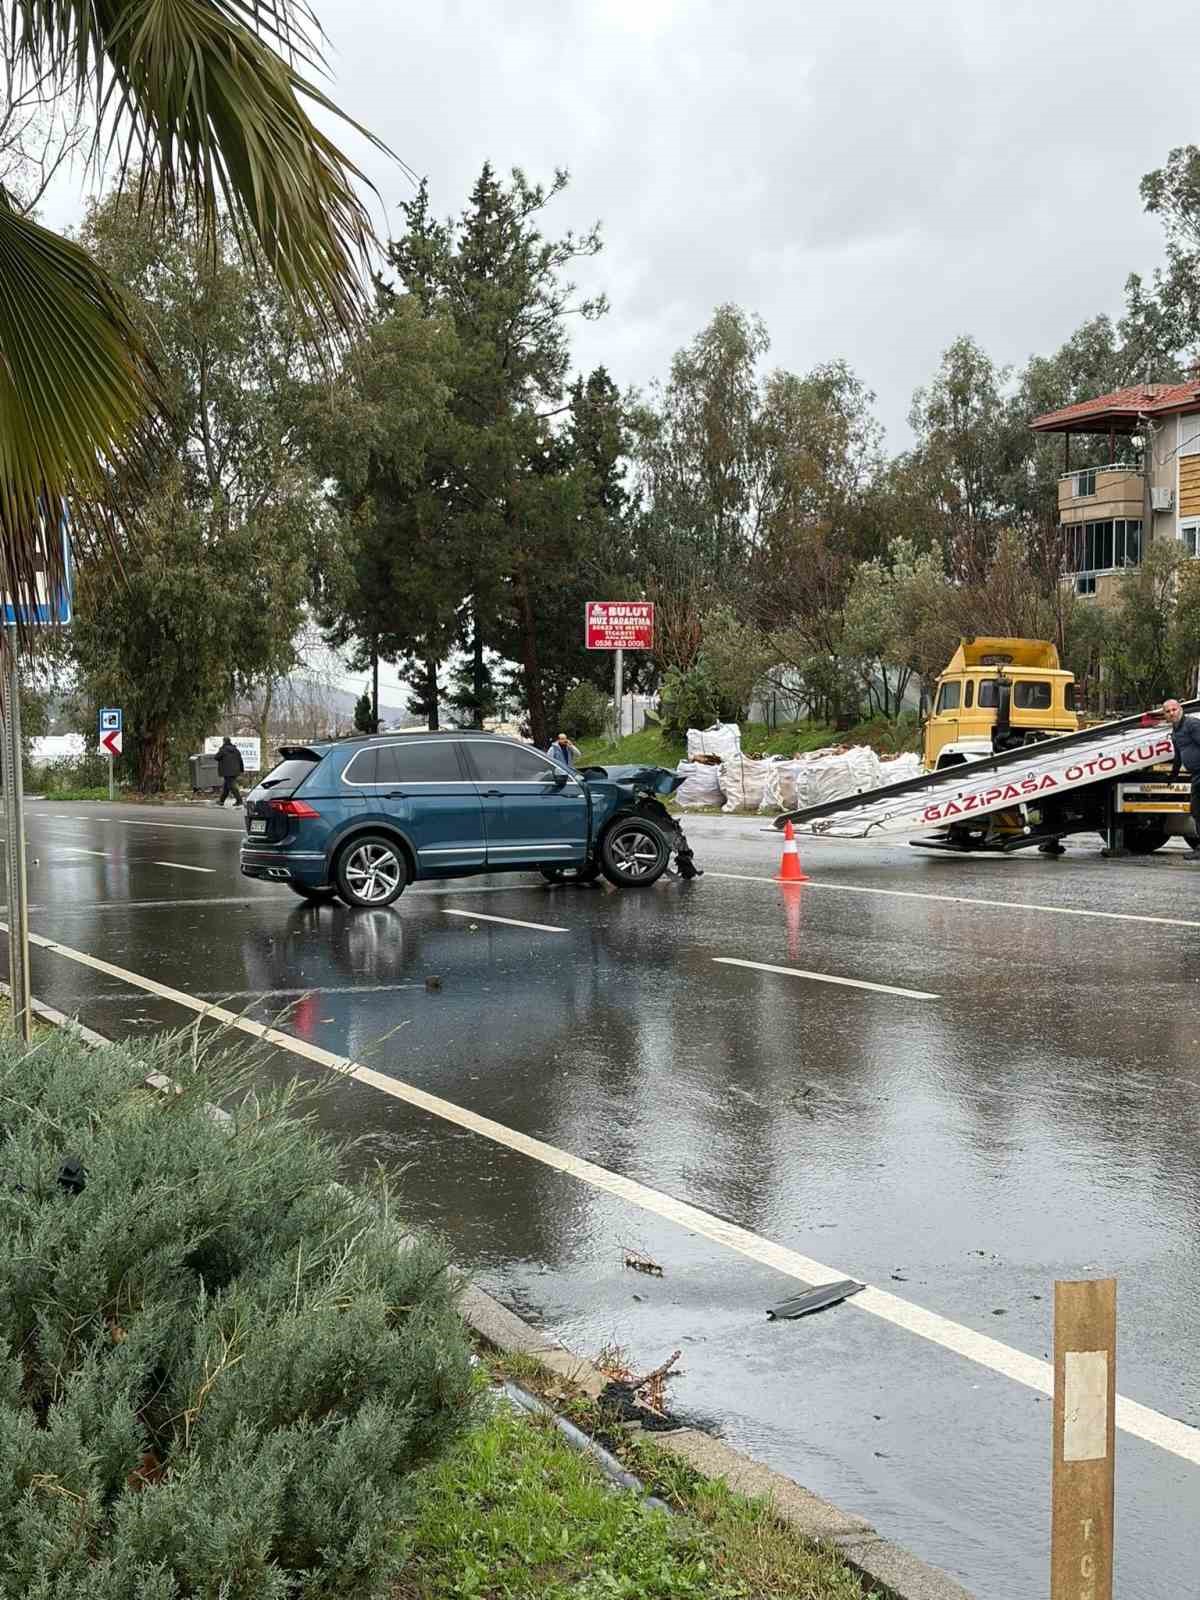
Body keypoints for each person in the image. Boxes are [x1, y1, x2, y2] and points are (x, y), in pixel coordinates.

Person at [1164, 698, 1200, 857]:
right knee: (1196, 810)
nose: (1172, 713)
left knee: (1198, 809)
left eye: (1174, 709)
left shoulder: (1192, 725)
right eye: (1168, 711)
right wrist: (1173, 775)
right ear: (1165, 715)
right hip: (1196, 775)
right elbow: (1178, 756)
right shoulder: (1175, 733)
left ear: (1181, 709)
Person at [216, 736, 245, 808]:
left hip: (227, 771)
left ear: (224, 742)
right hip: (235, 771)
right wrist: (241, 770)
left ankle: (239, 800)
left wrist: (220, 749)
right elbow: (240, 760)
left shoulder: (223, 750)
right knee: (226, 786)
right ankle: (221, 801)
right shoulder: (236, 750)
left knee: (232, 786)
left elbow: (216, 757)